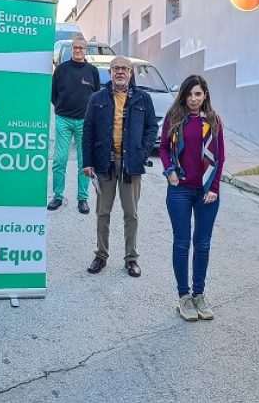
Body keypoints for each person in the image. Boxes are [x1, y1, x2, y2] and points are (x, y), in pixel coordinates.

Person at [81, 56, 158, 277]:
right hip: (104, 164)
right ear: (110, 73)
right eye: (116, 69)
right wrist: (88, 162)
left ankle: (131, 258)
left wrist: (142, 152)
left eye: (124, 69)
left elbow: (151, 128)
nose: (120, 72)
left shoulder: (143, 99)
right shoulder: (97, 98)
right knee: (103, 212)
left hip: (130, 165)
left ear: (131, 73)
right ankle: (101, 255)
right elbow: (88, 132)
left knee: (131, 213)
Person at [159, 75, 225, 322]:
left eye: (198, 94)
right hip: (180, 190)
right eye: (189, 94)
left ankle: (199, 295)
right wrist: (170, 172)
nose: (193, 99)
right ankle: (184, 297)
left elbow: (220, 157)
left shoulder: (213, 120)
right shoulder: (174, 117)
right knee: (182, 243)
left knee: (203, 244)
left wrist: (214, 187)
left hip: (206, 191)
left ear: (205, 94)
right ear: (183, 95)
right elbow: (164, 148)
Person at [48, 34, 100, 214]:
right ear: (71, 50)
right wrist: (62, 108)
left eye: (81, 48)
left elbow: (96, 96)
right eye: (75, 47)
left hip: (85, 122)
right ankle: (57, 196)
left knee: (84, 162)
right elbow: (53, 94)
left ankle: (82, 198)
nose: (78, 50)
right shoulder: (61, 69)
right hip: (63, 120)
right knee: (59, 160)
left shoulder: (92, 71)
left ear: (86, 50)